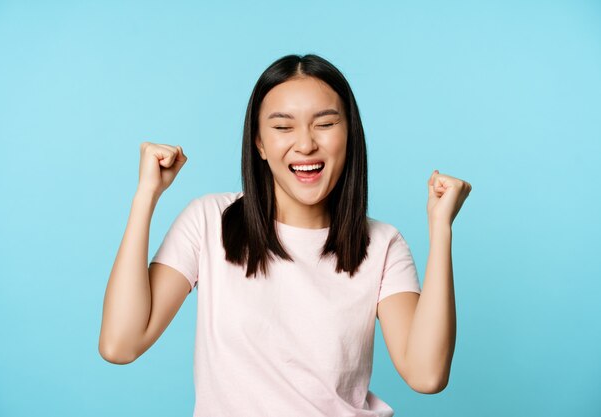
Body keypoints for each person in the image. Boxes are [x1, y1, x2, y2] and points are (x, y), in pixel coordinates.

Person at [98, 54, 472, 417]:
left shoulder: (382, 244)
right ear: (259, 143)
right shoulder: (210, 220)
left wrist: (441, 229)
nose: (306, 144)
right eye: (282, 127)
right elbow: (121, 343)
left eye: (325, 124)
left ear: (350, 136)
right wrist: (146, 196)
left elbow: (426, 375)